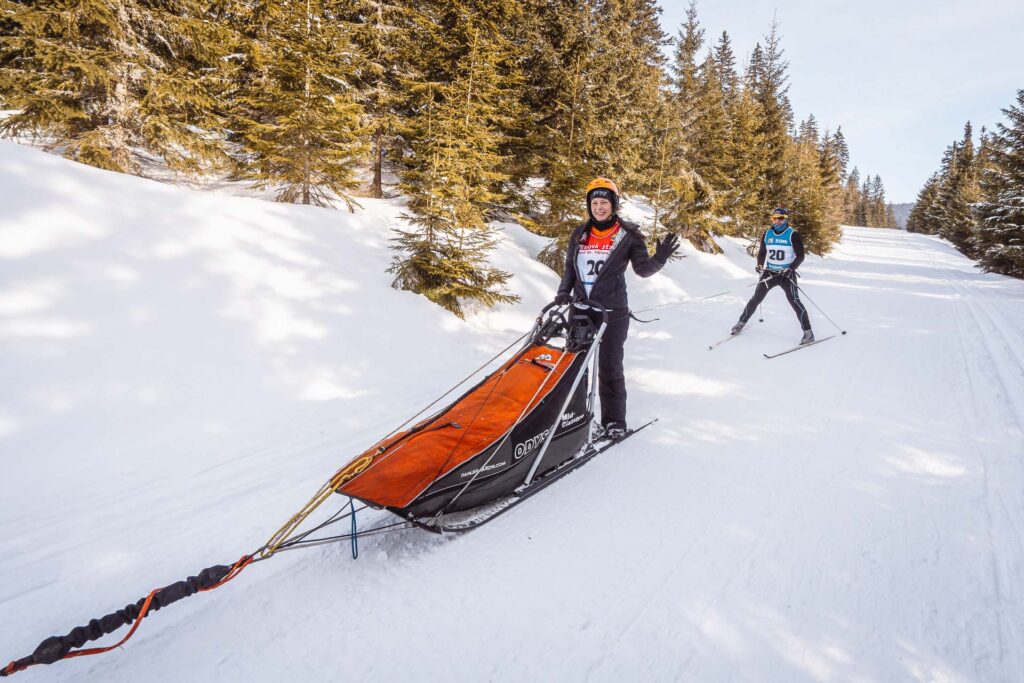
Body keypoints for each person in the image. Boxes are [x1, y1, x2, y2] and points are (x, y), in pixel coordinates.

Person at [554, 177, 679, 439]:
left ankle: (614, 421)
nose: (599, 207)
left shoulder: (628, 235)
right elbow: (570, 268)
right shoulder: (580, 233)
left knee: (610, 368)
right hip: (580, 309)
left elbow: (643, 270)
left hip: (612, 312)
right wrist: (563, 292)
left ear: (614, 204)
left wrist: (660, 258)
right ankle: (571, 418)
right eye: (595, 202)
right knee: (574, 365)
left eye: (605, 202)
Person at [730, 207, 814, 343]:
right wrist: (759, 264)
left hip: (786, 275)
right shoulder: (768, 233)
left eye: (780, 218)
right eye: (774, 218)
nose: (777, 221)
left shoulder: (793, 234)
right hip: (769, 273)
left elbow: (800, 256)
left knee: (795, 302)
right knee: (755, 299)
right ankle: (740, 323)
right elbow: (762, 252)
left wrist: (790, 269)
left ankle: (808, 333)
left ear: (786, 219)